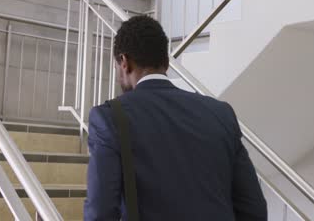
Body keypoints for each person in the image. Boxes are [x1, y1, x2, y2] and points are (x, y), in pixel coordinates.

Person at [84, 15, 267, 221]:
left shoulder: (110, 118)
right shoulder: (220, 114)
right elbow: (254, 209)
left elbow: (100, 212)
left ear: (124, 62)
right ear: (166, 62)